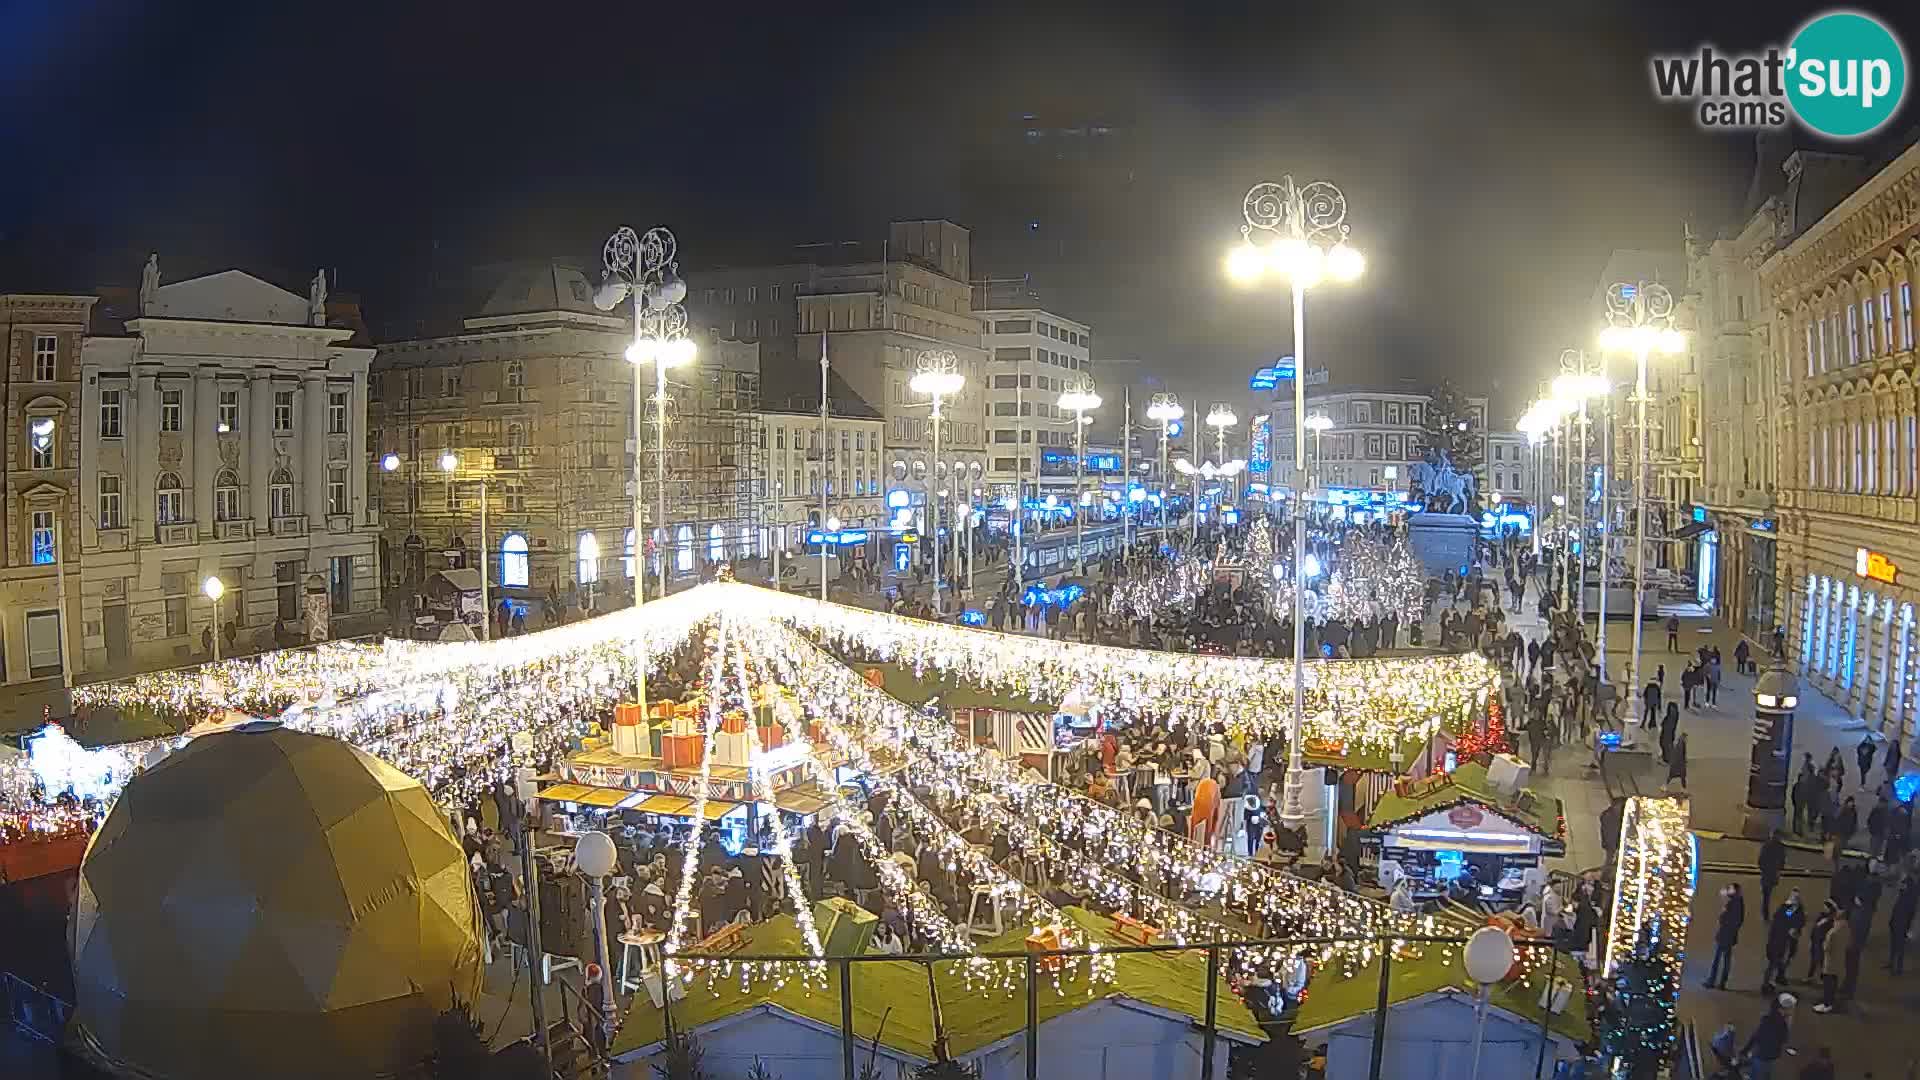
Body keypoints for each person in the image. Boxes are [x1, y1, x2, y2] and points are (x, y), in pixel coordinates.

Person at [1740, 992, 1794, 1080]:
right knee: (1761, 1073)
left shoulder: (1770, 1019)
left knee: (1759, 1071)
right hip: (1765, 1055)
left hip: (1762, 1054)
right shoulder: (1778, 1023)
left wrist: (1746, 1049)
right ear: (1781, 1009)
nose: (1791, 1011)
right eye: (1790, 1009)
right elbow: (1784, 1039)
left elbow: (1756, 1035)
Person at [1760, 890, 1804, 995]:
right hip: (1778, 942)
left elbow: (1799, 921)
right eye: (1793, 899)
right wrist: (1790, 928)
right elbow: (1783, 920)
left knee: (1785, 960)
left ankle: (1780, 976)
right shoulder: (1785, 910)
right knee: (1773, 963)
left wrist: (1796, 928)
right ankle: (1767, 985)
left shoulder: (1797, 910)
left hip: (1788, 942)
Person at [1705, 882, 1744, 989]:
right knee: (1725, 959)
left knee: (1718, 959)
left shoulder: (1734, 903)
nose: (1728, 890)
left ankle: (1712, 981)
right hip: (1729, 935)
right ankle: (1722, 982)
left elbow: (1727, 919)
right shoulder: (1737, 901)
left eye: (1730, 888)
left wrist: (1723, 915)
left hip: (1725, 934)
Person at [1813, 907, 1850, 1013]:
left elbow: (1826, 947)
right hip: (1839, 960)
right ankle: (1830, 1001)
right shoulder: (1846, 927)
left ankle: (1827, 1003)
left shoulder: (1832, 932)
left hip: (1829, 960)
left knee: (1828, 983)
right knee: (1833, 981)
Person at [1889, 874, 1918, 975]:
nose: (1902, 885)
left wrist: (1908, 928)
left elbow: (1911, 915)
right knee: (1893, 944)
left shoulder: (1910, 899)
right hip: (1895, 922)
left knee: (1900, 947)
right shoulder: (1902, 894)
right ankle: (1891, 964)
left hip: (1902, 924)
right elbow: (1895, 909)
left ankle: (1898, 969)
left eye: (1904, 884)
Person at [1758, 830, 1787, 917]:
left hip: (1766, 873)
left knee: (1766, 894)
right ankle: (1767, 911)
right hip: (1773, 873)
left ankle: (1765, 912)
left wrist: (1763, 869)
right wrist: (1779, 869)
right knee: (1768, 892)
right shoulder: (1780, 847)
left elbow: (1760, 860)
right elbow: (1782, 860)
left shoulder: (1766, 845)